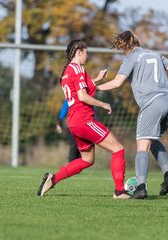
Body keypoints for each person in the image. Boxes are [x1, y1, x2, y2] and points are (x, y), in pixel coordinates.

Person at [37, 39, 130, 199]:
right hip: (84, 120)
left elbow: (79, 88)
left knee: (87, 159)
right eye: (86, 52)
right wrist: (103, 104)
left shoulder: (67, 71)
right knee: (118, 149)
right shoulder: (78, 69)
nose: (88, 56)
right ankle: (119, 191)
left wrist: (97, 79)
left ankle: (53, 179)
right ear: (79, 52)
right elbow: (82, 95)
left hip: (73, 122)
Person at [97, 30, 168, 199]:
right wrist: (162, 87)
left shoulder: (130, 57)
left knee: (142, 147)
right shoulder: (155, 54)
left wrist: (94, 88)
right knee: (153, 139)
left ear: (123, 45)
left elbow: (117, 82)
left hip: (153, 103)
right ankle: (167, 175)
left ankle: (140, 188)